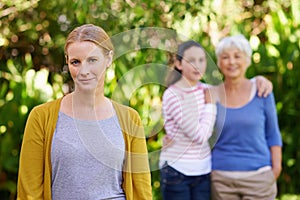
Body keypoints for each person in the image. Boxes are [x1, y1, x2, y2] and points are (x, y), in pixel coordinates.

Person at [17, 24, 152, 200]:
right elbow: (29, 191)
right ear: (67, 61)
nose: (84, 71)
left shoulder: (129, 119)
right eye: (76, 62)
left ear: (109, 59)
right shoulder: (41, 117)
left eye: (92, 60)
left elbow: (141, 189)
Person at [159, 39, 274, 200]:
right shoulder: (174, 95)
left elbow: (237, 85)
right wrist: (211, 105)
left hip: (203, 171)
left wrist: (260, 79)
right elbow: (200, 136)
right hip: (178, 171)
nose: (197, 65)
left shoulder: (206, 90)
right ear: (179, 64)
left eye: (201, 60)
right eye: (191, 60)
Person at [210, 34, 282, 200]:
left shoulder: (262, 92)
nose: (232, 62)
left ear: (247, 60)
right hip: (221, 180)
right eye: (225, 57)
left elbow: (273, 134)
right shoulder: (210, 95)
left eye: (237, 56)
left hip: (259, 178)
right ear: (219, 63)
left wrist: (275, 170)